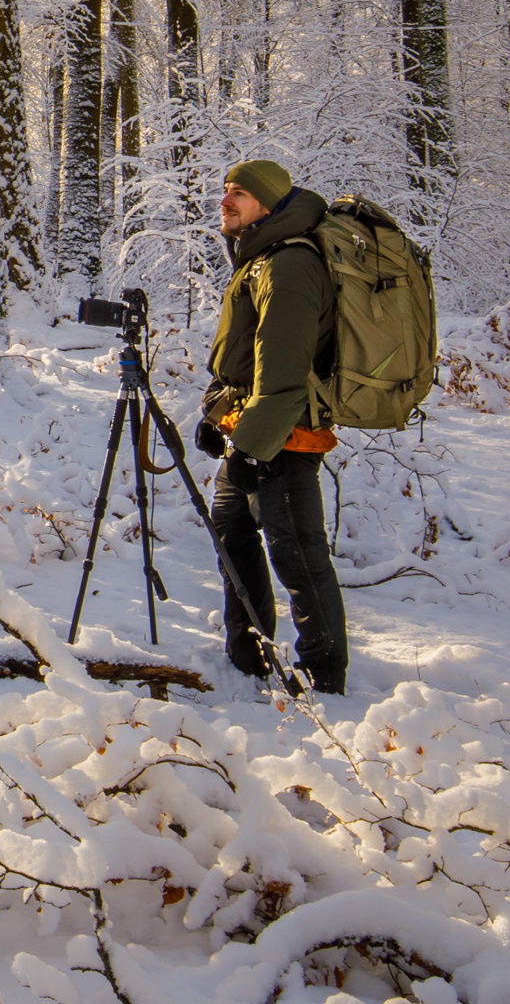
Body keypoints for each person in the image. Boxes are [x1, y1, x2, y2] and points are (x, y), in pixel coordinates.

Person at [190, 157, 348, 695]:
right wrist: (219, 417)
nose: (225, 200)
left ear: (269, 203)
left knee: (298, 555)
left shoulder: (289, 266)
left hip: (287, 437)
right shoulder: (260, 260)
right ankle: (250, 652)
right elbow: (246, 363)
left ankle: (325, 675)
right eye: (225, 189)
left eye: (239, 192)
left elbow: (282, 376)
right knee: (232, 532)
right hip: (256, 432)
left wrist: (252, 449)